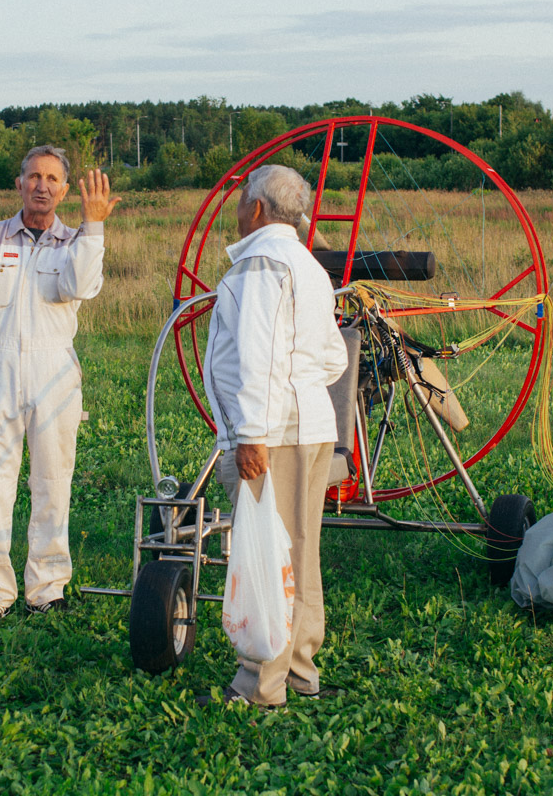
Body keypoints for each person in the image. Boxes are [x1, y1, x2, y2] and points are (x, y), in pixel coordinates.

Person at [0, 146, 120, 620]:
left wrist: (95, 225)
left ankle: (46, 589)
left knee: (52, 482)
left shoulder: (75, 241)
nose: (42, 185)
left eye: (52, 178)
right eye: (33, 176)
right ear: (18, 184)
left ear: (65, 190)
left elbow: (82, 285)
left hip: (54, 373)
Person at [200, 165, 348, 706]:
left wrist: (252, 436)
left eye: (242, 198)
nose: (237, 207)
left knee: (267, 554)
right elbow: (333, 356)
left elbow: (259, 359)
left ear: (257, 209)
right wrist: (302, 387)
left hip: (276, 435)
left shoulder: (262, 264)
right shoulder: (308, 265)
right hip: (311, 429)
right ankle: (301, 671)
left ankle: (260, 685)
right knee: (301, 551)